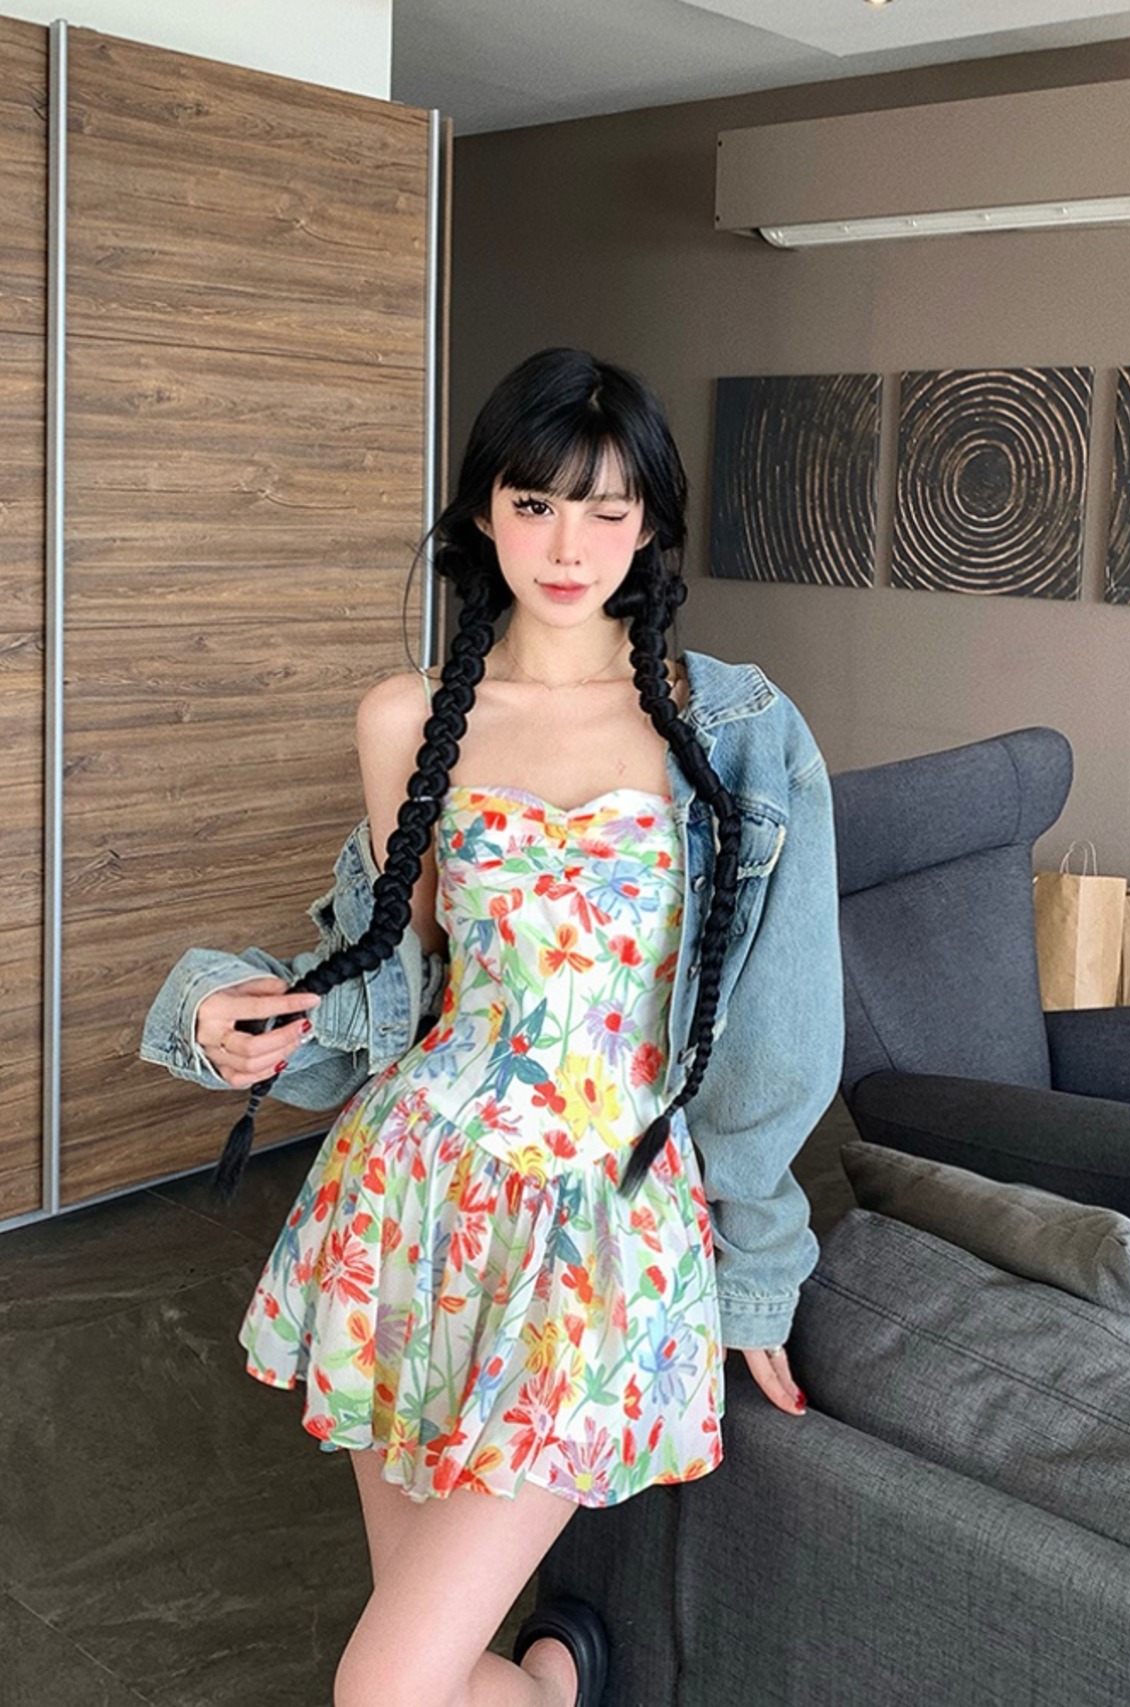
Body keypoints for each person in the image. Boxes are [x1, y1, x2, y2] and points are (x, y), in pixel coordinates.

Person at [140, 346, 845, 1707]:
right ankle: (553, 1682)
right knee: (430, 1667)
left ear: (650, 525)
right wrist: (234, 1015)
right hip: (409, 1197)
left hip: (599, 1228)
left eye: (605, 509)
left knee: (386, 1687)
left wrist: (757, 1260)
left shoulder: (740, 730)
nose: (568, 546)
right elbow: (391, 976)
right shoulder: (409, 717)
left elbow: (780, 1027)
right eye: (534, 504)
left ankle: (555, 1681)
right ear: (483, 511)